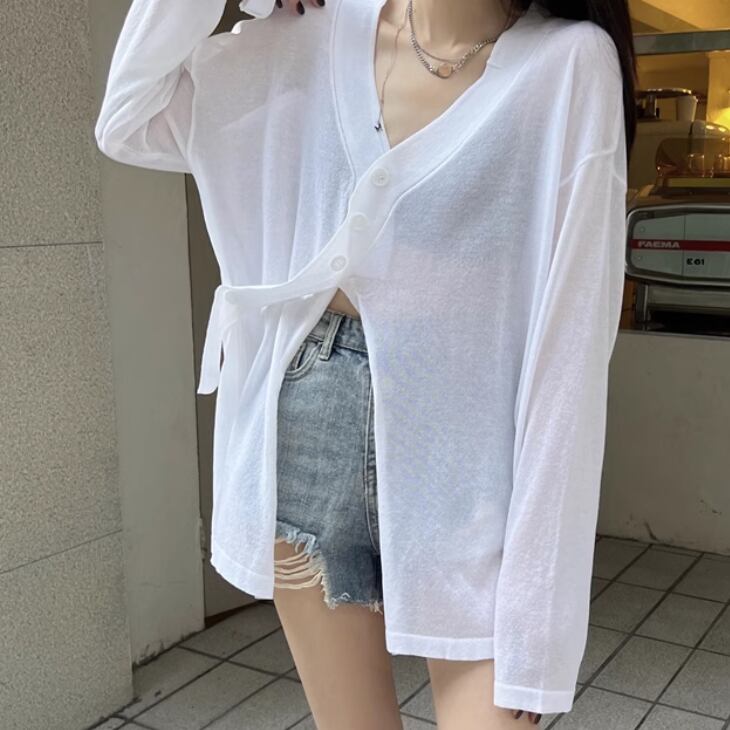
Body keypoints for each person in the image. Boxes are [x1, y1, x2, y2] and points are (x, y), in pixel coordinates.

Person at [95, 0, 637, 727]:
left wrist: (538, 634)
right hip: (305, 435)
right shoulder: (307, 37)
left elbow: (569, 362)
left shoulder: (569, 64)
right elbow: (131, 115)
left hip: (471, 467)